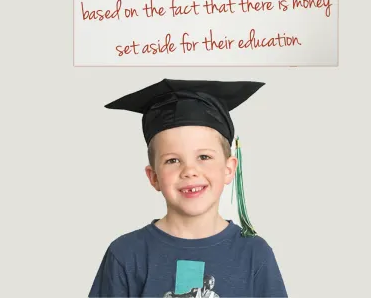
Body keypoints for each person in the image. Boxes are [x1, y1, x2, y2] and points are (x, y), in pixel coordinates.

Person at [88, 79, 288, 297]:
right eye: (173, 160)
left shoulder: (255, 254)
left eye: (204, 157)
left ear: (229, 169)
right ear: (153, 177)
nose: (189, 171)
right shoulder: (126, 255)